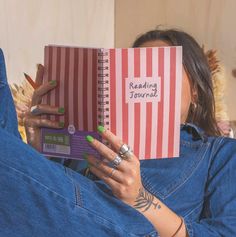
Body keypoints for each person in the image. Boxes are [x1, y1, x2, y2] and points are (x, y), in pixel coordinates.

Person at [1, 28, 236, 237]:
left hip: (128, 226)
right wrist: (37, 148)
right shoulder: (91, 134)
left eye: (161, 69)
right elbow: (49, 192)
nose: (149, 80)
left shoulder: (219, 152)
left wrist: (140, 199)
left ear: (195, 89)